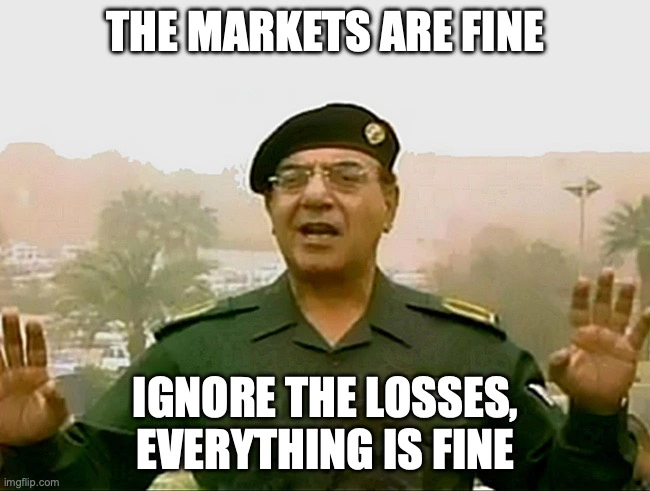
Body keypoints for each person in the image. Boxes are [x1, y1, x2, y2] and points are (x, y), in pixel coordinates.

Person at [0, 102, 649, 490]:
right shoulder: (196, 354)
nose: (315, 194)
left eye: (345, 176)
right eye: (291, 179)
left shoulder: (470, 354)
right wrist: (30, 448)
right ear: (271, 210)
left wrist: (596, 415)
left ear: (390, 203)